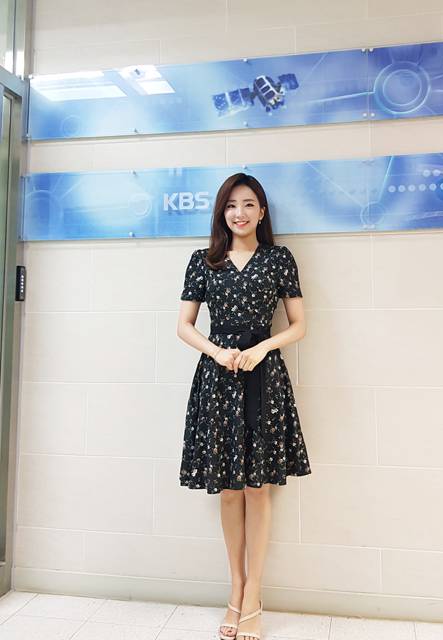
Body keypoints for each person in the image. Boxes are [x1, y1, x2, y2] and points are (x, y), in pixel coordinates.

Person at [177, 172, 312, 640]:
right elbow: (184, 326)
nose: (240, 212)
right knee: (230, 491)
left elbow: (298, 324)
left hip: (264, 379)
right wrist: (217, 352)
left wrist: (264, 348)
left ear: (262, 211)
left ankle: (254, 595)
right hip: (218, 379)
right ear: (222, 212)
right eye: (232, 205)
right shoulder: (203, 261)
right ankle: (235, 589)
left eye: (249, 204)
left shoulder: (279, 259)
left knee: (258, 489)